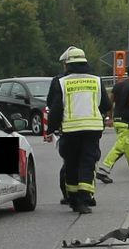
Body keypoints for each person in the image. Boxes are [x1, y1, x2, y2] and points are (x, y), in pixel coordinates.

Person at [46, 46, 109, 214]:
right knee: (88, 163)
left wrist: (50, 129)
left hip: (70, 130)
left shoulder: (61, 82)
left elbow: (55, 107)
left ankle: (74, 200)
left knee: (71, 164)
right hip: (92, 129)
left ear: (68, 64)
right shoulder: (96, 80)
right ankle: (84, 198)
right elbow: (106, 105)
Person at [97, 63, 129, 184]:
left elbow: (110, 103)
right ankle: (103, 170)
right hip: (127, 121)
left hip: (118, 120)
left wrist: (110, 118)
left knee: (128, 147)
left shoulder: (118, 85)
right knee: (120, 146)